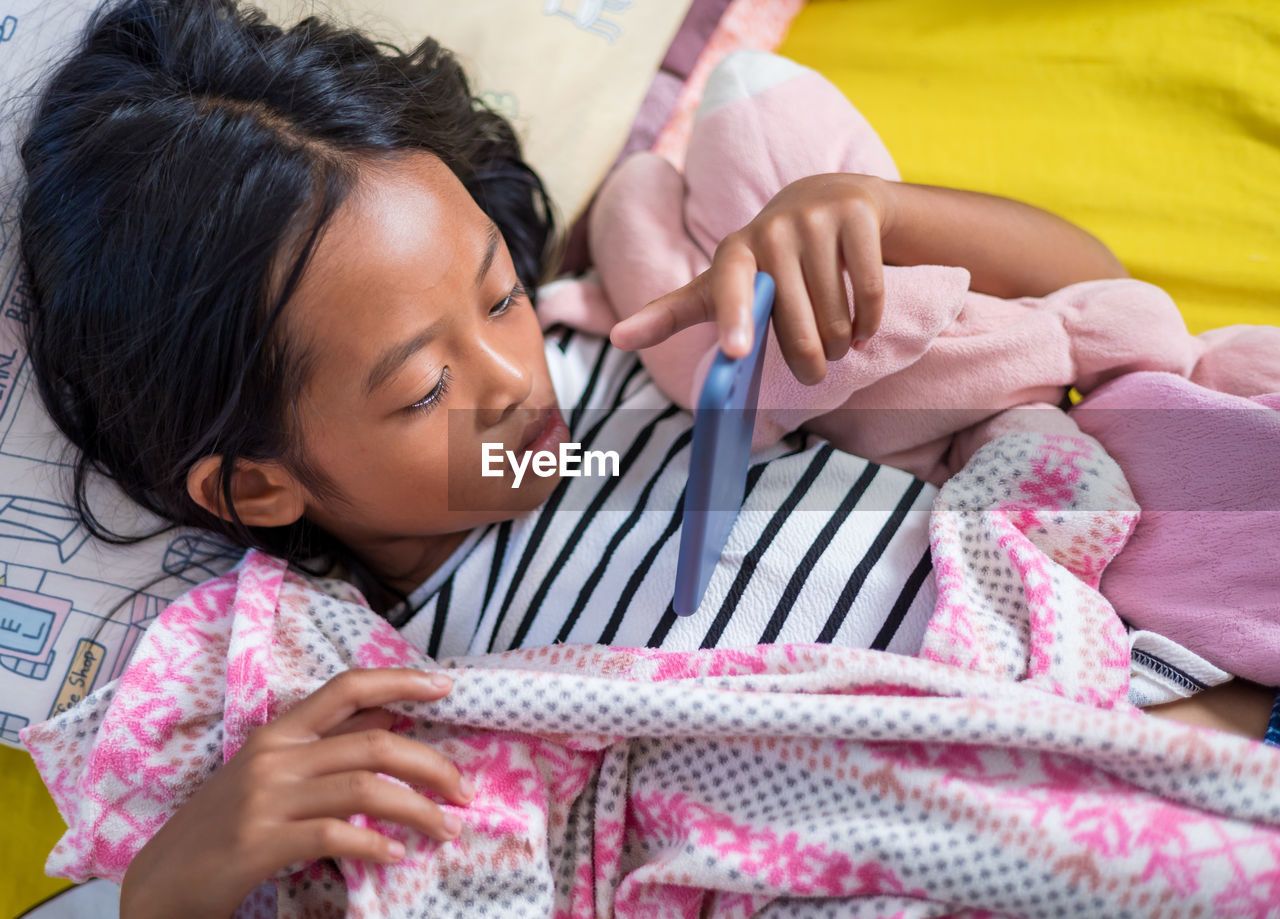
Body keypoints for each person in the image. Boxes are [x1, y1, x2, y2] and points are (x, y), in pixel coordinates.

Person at [16, 0, 1274, 915]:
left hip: (1168, 692)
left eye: (497, 297)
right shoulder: (359, 676)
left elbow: (1096, 314)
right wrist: (169, 888)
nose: (510, 383)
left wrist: (880, 222)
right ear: (257, 484)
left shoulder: (644, 342)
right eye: (425, 386)